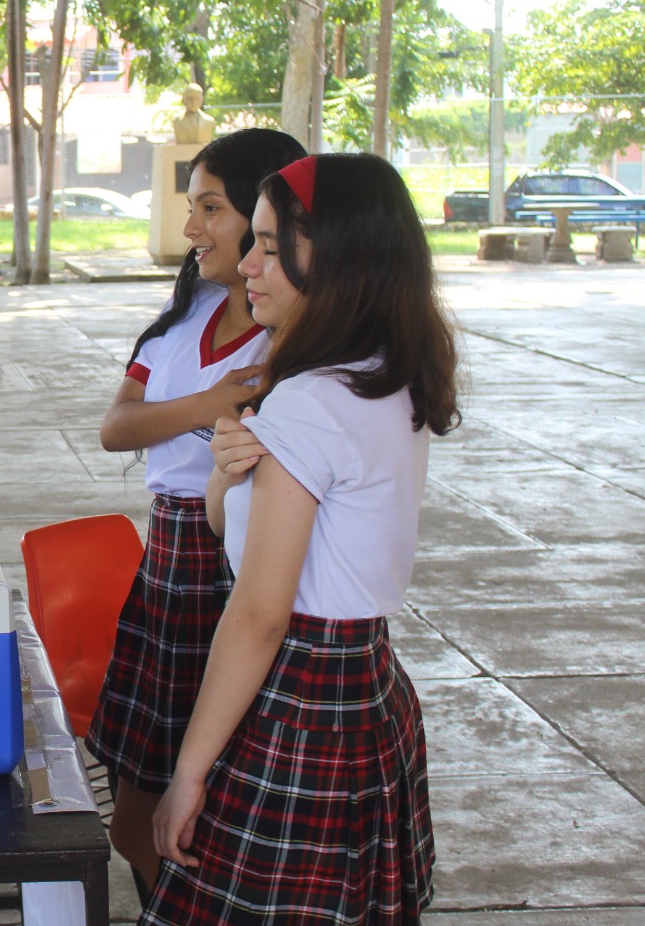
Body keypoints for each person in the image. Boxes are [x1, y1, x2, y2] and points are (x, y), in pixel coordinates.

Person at [147, 152, 458, 923]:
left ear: (339, 257)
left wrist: (188, 772)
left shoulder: (311, 404)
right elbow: (233, 526)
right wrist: (227, 469)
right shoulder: (379, 375)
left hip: (299, 704)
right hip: (366, 690)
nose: (248, 265)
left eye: (272, 248)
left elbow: (259, 613)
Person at [85, 128, 306, 901]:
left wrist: (192, 416)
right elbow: (117, 427)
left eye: (211, 208)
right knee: (135, 807)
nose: (191, 230)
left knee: (210, 801)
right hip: (169, 560)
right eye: (191, 207)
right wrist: (212, 404)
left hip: (233, 561)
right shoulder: (189, 313)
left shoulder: (294, 339)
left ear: (266, 214)